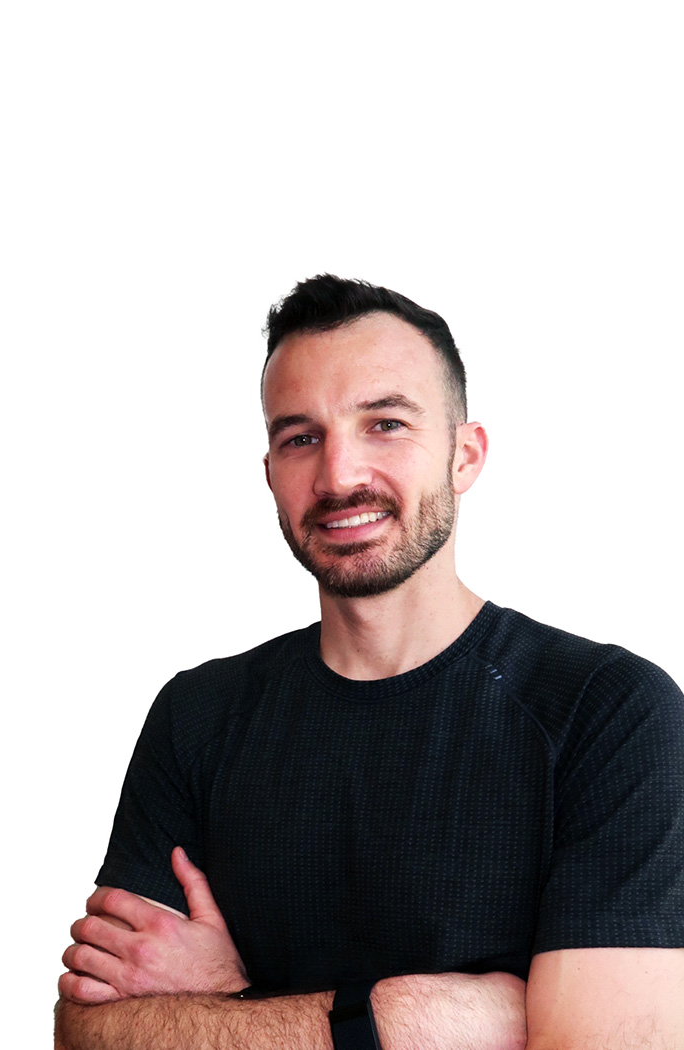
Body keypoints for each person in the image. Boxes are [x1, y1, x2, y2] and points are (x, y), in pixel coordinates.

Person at [55, 276, 684, 1050]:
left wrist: (228, 1005)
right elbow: (89, 1034)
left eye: (385, 423)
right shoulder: (198, 716)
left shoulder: (607, 713)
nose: (339, 476)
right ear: (270, 474)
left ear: (465, 454)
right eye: (300, 437)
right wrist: (417, 1018)